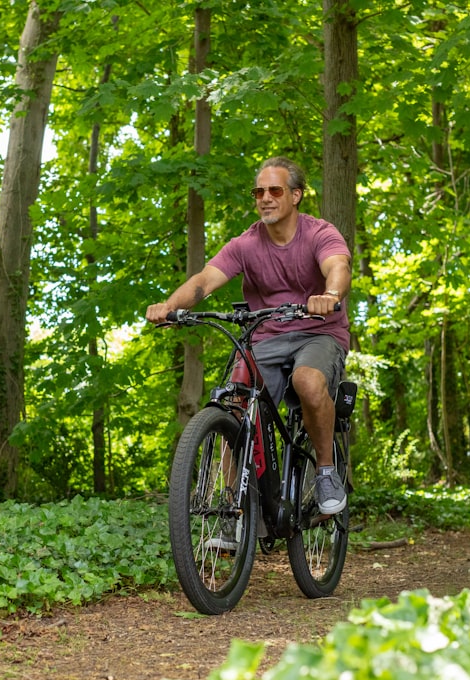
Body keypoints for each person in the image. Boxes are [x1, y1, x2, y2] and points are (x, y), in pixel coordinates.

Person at [146, 156, 352, 518]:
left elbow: (337, 266)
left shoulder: (319, 232)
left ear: (296, 195)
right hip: (266, 337)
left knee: (307, 380)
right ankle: (231, 510)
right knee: (235, 407)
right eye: (259, 191)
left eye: (275, 190)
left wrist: (330, 296)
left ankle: (325, 471)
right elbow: (204, 281)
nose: (265, 198)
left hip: (318, 333)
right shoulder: (246, 243)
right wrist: (170, 306)